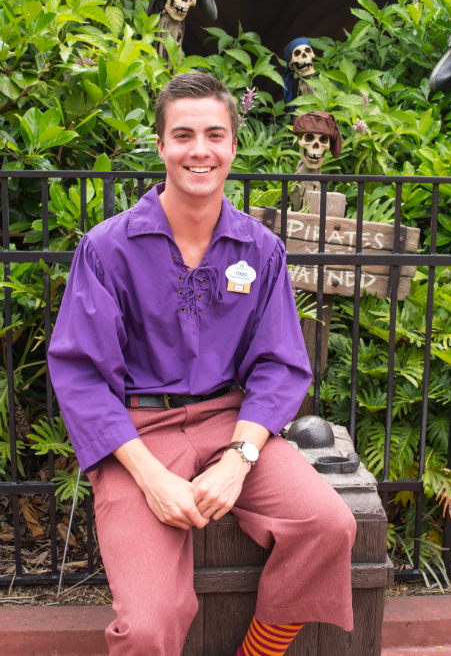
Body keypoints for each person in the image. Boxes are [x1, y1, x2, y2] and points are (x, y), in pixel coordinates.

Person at [48, 72, 357, 656]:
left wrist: (240, 459)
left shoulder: (260, 249)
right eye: (183, 134)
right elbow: (81, 375)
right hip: (136, 435)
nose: (200, 149)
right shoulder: (108, 248)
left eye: (215, 134)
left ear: (233, 146)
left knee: (329, 526)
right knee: (147, 625)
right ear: (161, 145)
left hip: (228, 423)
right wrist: (151, 478)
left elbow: (279, 364)